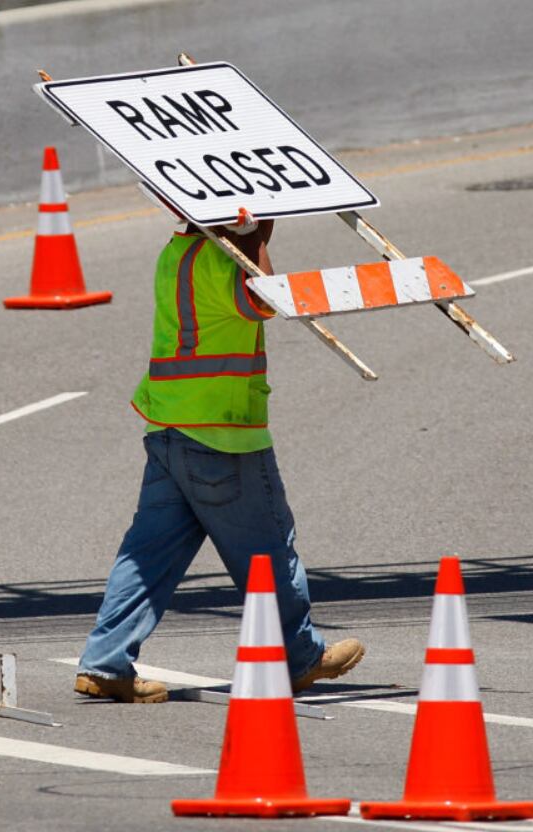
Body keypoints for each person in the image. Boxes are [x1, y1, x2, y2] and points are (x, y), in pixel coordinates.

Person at [75, 210, 365, 703]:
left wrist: (249, 233)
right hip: (223, 438)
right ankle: (299, 657)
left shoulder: (177, 253)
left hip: (168, 427)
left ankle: (104, 663)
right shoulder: (221, 262)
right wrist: (253, 236)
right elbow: (265, 299)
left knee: (147, 556)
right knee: (269, 552)